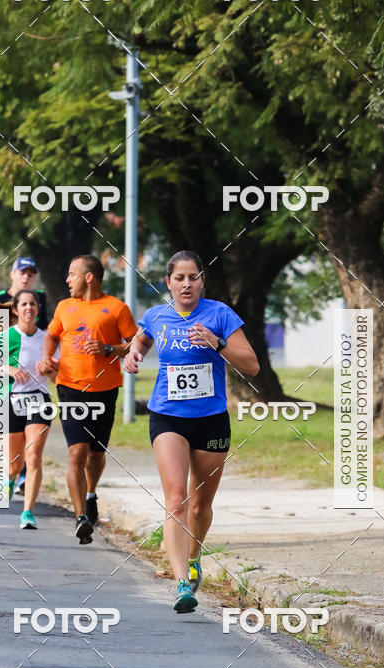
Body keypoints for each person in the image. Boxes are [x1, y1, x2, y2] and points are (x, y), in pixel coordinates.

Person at [124, 250, 259, 613]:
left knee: (201, 505)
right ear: (168, 282)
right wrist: (132, 355)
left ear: (202, 281)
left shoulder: (220, 315)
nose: (186, 283)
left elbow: (253, 365)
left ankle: (195, 553)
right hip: (167, 417)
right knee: (176, 500)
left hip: (211, 419)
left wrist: (218, 343)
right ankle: (183, 582)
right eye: (179, 278)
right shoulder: (156, 316)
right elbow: (141, 339)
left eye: (193, 277)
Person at [38, 254, 138, 544]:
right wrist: (47, 358)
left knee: (96, 454)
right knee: (76, 454)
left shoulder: (116, 308)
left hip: (105, 390)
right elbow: (51, 335)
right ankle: (81, 516)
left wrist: (109, 349)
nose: (67, 280)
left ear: (89, 277)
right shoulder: (64, 307)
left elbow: (135, 344)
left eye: (73, 274)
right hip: (70, 387)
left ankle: (91, 492)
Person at [0, 256, 49, 497]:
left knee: (32, 440)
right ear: (12, 274)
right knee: (13, 443)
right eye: (22, 272)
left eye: (30, 273)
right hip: (5, 378)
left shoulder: (40, 299)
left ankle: (24, 474)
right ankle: (14, 470)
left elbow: (44, 333)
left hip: (34, 381)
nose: (26, 276)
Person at [4, 289, 56, 530]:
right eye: (23, 304)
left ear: (37, 308)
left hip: (40, 400)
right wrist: (10, 370)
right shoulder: (8, 337)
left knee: (33, 455)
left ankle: (27, 512)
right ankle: (11, 477)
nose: (28, 308)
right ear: (15, 309)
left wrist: (50, 371)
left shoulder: (48, 339)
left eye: (32, 304)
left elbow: (58, 378)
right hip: (13, 400)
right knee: (15, 462)